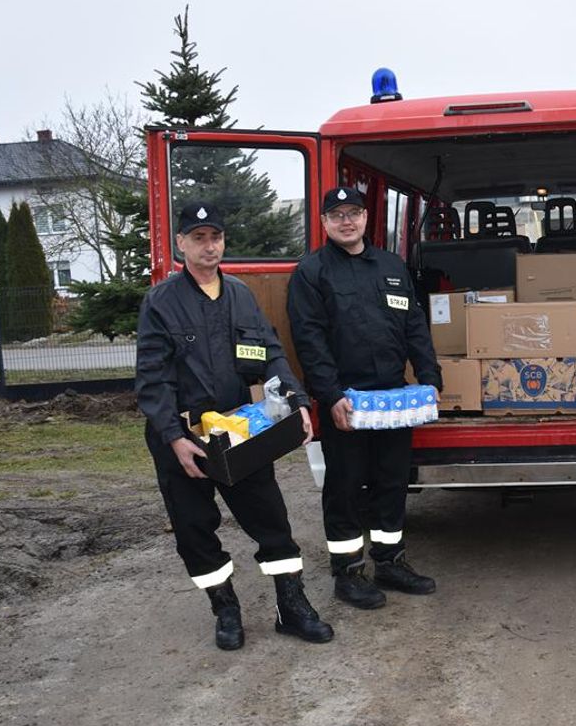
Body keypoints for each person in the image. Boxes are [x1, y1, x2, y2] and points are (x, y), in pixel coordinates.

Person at [135, 201, 333, 650]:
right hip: (184, 437)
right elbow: (152, 380)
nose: (209, 246)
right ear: (181, 244)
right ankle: (225, 609)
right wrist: (174, 439)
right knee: (194, 529)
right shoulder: (161, 302)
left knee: (271, 520)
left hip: (239, 430)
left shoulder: (241, 295)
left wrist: (297, 402)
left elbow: (271, 353)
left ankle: (292, 606)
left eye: (216, 237)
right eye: (199, 238)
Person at [287, 186, 443, 610]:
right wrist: (330, 395)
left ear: (365, 218)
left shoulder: (391, 267)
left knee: (392, 483)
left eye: (353, 213)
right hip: (346, 403)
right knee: (345, 487)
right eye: (337, 215)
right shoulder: (312, 272)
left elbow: (414, 325)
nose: (347, 221)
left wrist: (429, 377)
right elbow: (309, 340)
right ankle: (348, 573)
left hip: (392, 401)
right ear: (324, 222)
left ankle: (390, 562)